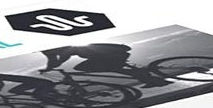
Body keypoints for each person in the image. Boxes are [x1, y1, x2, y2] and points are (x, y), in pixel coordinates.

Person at [40, 43, 170, 87]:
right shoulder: (48, 49)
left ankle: (152, 80)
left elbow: (65, 55)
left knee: (83, 67)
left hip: (113, 54)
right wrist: (48, 68)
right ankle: (145, 76)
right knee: (113, 68)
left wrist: (52, 67)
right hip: (110, 54)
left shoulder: (55, 47)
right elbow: (53, 59)